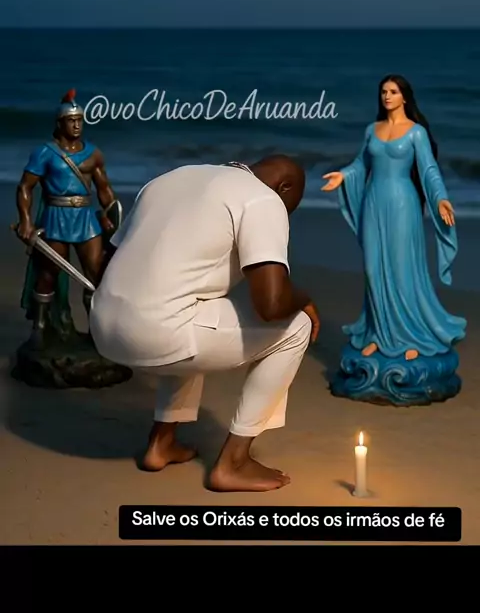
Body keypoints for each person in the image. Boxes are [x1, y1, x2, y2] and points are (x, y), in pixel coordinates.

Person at [90, 156, 320, 492]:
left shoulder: (168, 179)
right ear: (284, 188)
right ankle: (234, 463)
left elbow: (104, 265)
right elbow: (271, 306)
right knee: (296, 325)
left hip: (102, 326)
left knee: (191, 305)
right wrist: (305, 299)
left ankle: (161, 444)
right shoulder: (262, 198)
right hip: (158, 335)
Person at [321, 74, 466, 361]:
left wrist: (440, 198)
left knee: (401, 269)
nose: (387, 96)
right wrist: (344, 175)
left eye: (393, 91)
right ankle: (379, 335)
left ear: (405, 97)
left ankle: (411, 337)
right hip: (373, 203)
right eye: (384, 91)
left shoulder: (416, 133)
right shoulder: (372, 130)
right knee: (373, 270)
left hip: (403, 205)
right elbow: (361, 164)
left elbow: (429, 170)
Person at [15, 89, 121, 346]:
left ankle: (96, 330)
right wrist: (26, 220)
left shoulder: (93, 154)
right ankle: (40, 328)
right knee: (48, 273)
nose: (76, 125)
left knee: (96, 274)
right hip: (56, 218)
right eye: (71, 120)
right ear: (60, 123)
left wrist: (112, 215)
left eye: (80, 120)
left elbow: (104, 189)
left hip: (85, 219)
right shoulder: (45, 153)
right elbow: (25, 187)